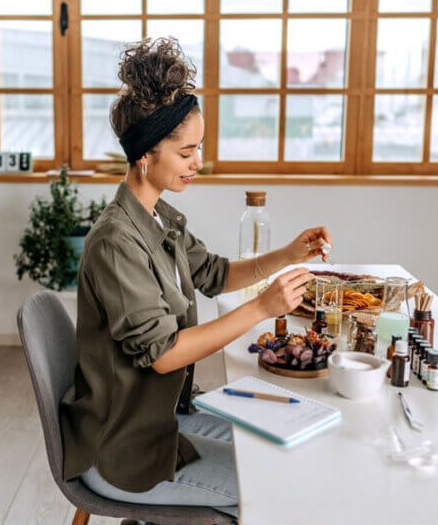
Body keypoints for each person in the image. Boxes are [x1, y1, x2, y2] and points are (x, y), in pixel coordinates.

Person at [58, 37, 332, 521]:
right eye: (186, 153)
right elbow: (163, 356)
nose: (197, 163)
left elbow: (215, 274)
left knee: (284, 447)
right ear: (146, 153)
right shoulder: (116, 243)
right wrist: (262, 309)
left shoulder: (158, 217)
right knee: (269, 487)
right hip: (124, 449)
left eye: (198, 149)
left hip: (162, 419)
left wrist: (288, 254)